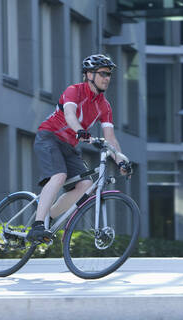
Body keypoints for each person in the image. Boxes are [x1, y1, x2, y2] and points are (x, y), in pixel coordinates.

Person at [26, 54, 132, 242]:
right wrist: (80, 131)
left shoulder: (104, 106)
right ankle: (37, 224)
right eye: (102, 73)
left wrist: (121, 161)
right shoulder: (74, 91)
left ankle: (48, 218)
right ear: (89, 74)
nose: (107, 78)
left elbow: (111, 139)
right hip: (49, 137)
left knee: (86, 185)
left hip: (69, 146)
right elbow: (69, 114)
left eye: (109, 74)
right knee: (59, 176)